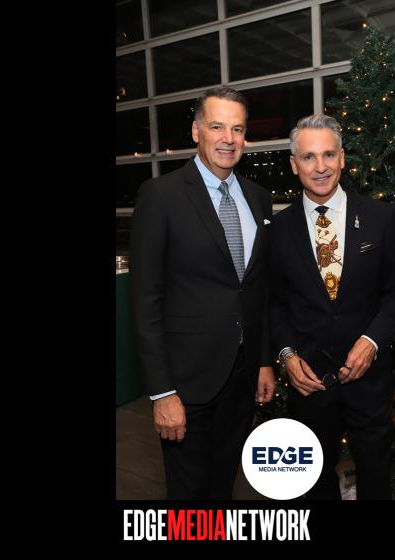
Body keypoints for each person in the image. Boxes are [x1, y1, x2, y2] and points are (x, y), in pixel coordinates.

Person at [129, 86, 275, 500]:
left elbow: (257, 290)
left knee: (223, 484)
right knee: (189, 496)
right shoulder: (160, 196)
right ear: (196, 131)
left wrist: (264, 361)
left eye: (237, 129)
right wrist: (162, 393)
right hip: (186, 383)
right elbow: (145, 301)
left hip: (242, 377)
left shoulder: (258, 198)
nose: (228, 138)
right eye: (216, 127)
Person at [270, 114, 395, 499]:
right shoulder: (278, 231)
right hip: (309, 384)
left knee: (375, 479)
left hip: (369, 381)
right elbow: (275, 304)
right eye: (309, 157)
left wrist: (371, 341)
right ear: (294, 164)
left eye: (329, 155)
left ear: (343, 158)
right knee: (313, 483)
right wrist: (287, 356)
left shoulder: (379, 218)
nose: (320, 166)